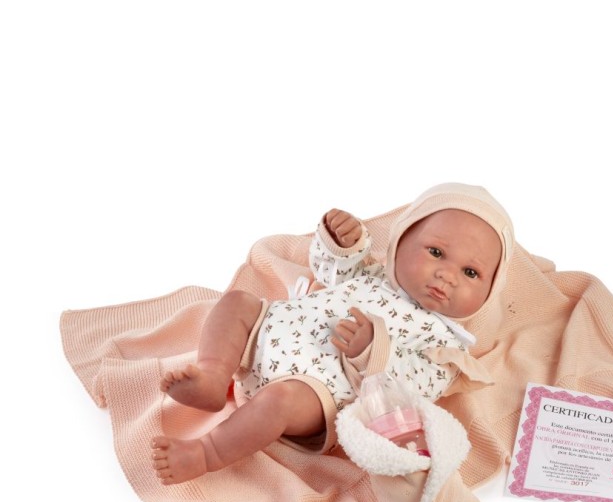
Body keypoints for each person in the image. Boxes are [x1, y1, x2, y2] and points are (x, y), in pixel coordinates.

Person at [151, 182, 515, 484]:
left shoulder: (443, 344)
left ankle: (206, 452)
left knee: (278, 402)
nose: (447, 275)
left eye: (471, 273)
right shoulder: (373, 275)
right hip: (265, 337)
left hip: (313, 393)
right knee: (237, 303)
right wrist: (343, 243)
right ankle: (213, 377)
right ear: (400, 243)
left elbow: (415, 391)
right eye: (436, 252)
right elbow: (331, 272)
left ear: (490, 291)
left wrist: (373, 349)